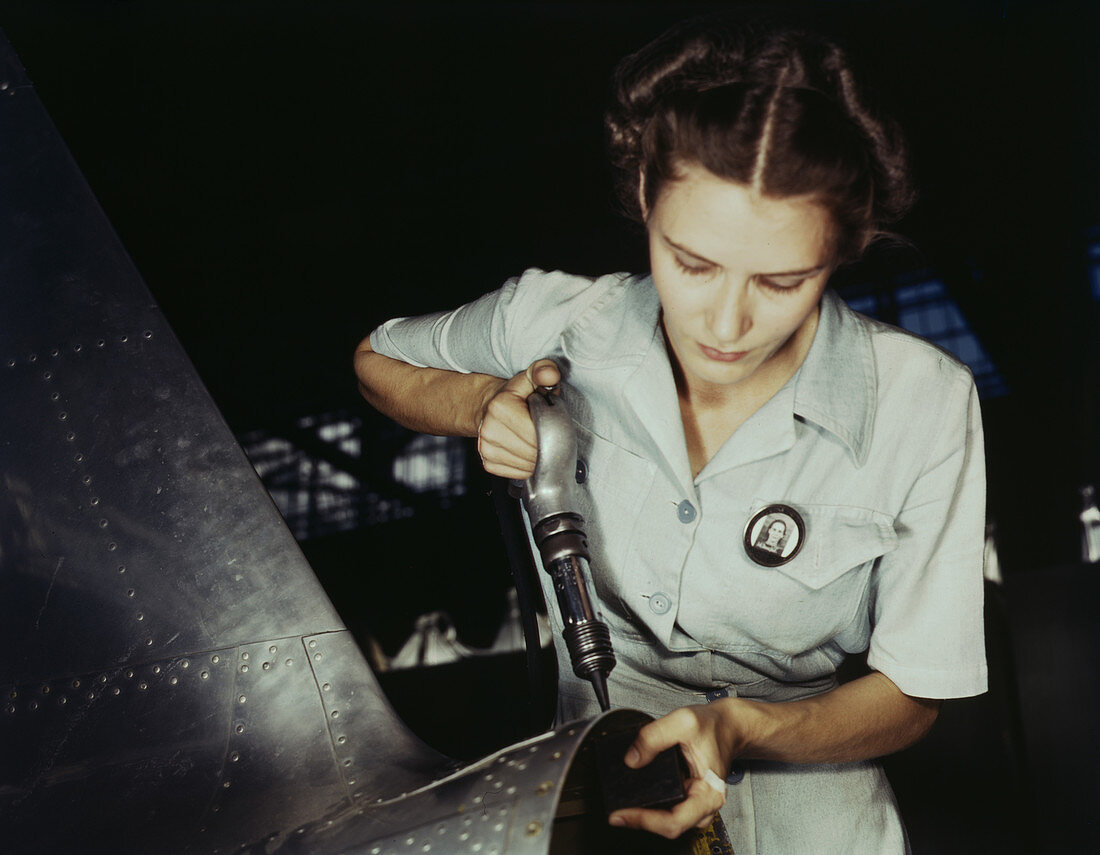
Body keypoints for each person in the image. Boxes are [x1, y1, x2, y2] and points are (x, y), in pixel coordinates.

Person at [355, 16, 986, 855]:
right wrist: (475, 405)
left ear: (843, 248)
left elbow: (913, 692)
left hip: (818, 789)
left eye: (782, 280)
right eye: (691, 263)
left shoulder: (924, 401)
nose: (726, 323)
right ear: (647, 198)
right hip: (596, 784)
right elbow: (375, 359)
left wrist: (740, 726)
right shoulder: (561, 321)